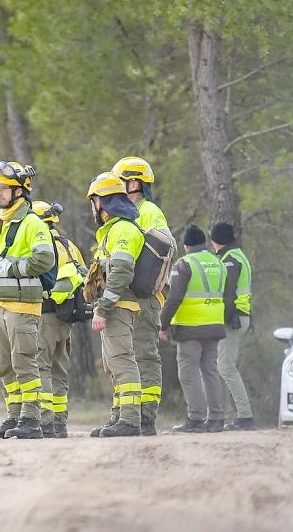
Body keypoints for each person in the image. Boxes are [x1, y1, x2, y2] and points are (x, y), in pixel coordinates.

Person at [0, 162, 55, 440]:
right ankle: (14, 415)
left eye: (4, 188)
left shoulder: (32, 222)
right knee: (6, 366)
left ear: (20, 191)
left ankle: (31, 418)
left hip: (23, 307)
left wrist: (11, 269)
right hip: (0, 305)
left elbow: (45, 259)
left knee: (24, 363)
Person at [111, 156, 173, 434]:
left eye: (120, 183)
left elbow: (164, 249)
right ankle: (123, 414)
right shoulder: (124, 215)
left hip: (146, 300)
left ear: (134, 183)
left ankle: (145, 416)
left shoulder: (149, 211)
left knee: (144, 356)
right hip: (129, 298)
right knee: (124, 357)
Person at [85, 172, 146, 437]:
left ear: (104, 202)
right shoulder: (111, 231)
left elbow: (121, 272)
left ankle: (131, 421)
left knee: (122, 361)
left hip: (119, 306)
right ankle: (118, 417)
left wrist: (103, 309)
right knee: (112, 364)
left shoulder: (123, 229)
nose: (93, 207)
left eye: (95, 200)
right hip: (114, 305)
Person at [160, 225, 227, 433]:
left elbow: (174, 298)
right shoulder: (218, 263)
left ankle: (196, 418)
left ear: (187, 246)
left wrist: (163, 324)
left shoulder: (184, 264)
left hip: (191, 327)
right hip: (214, 325)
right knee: (211, 371)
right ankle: (216, 419)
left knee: (188, 373)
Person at [31, 201, 87, 439]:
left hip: (44, 314)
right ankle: (60, 420)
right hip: (66, 316)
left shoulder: (40, 245)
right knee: (60, 368)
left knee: (42, 366)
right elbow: (85, 275)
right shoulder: (70, 245)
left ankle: (46, 421)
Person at [210, 222, 257, 430]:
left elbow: (228, 293)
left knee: (226, 366)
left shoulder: (229, 260)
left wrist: (225, 317)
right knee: (224, 365)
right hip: (241, 315)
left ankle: (245, 416)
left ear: (216, 240)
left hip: (234, 317)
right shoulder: (238, 255)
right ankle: (236, 415)